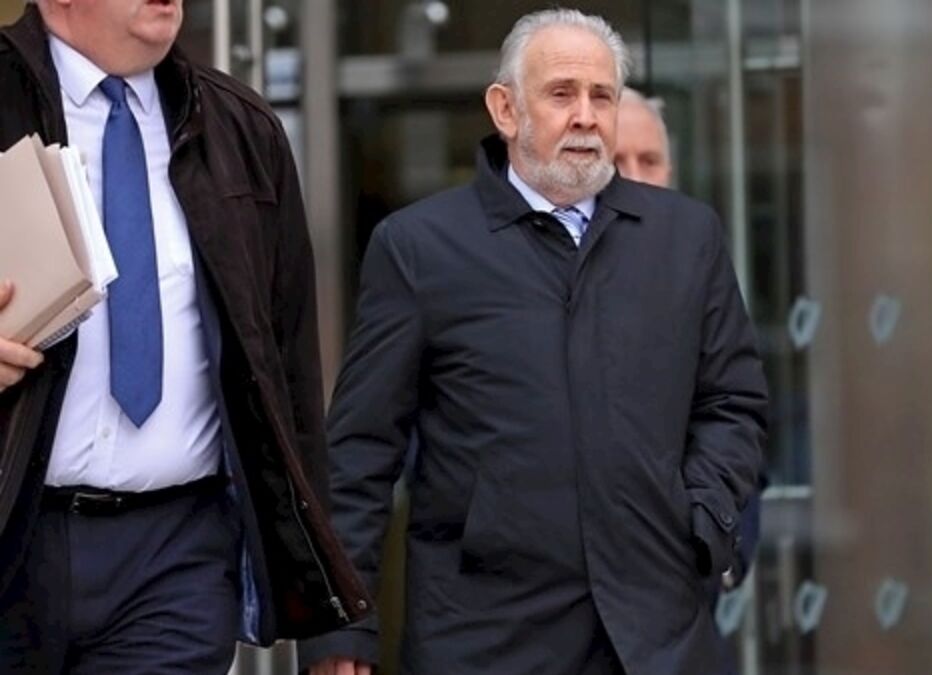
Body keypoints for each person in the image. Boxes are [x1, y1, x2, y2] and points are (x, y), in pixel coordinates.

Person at [301, 8, 768, 675]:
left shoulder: (687, 237)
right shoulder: (419, 247)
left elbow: (733, 404)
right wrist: (342, 628)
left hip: (657, 633)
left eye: (601, 96)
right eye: (561, 94)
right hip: (486, 638)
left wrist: (698, 523)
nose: (585, 117)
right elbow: (360, 451)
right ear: (505, 109)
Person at [0, 1, 368, 672]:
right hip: (14, 537)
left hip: (177, 555)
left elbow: (289, 377)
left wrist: (326, 607)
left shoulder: (241, 129)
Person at [615, 86, 766, 672]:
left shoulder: (701, 272)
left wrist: (715, 557)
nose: (636, 178)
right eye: (617, 161)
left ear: (671, 172)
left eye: (649, 161)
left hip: (684, 627)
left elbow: (740, 423)